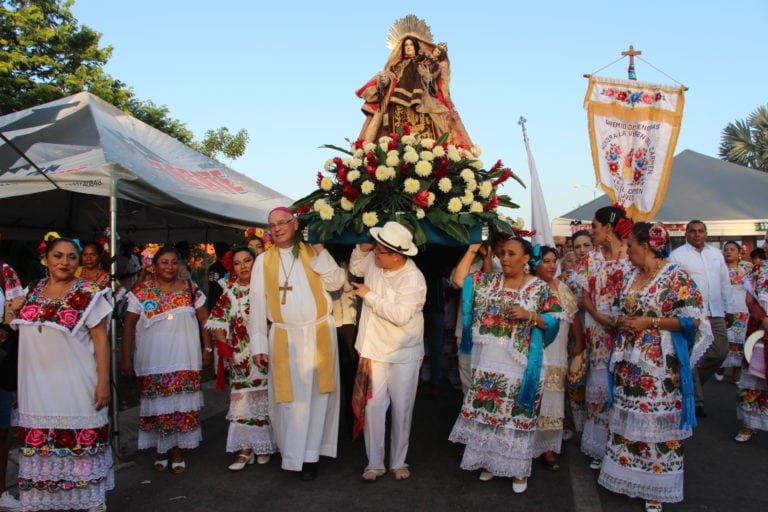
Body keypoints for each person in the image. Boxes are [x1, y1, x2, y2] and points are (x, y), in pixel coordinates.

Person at [598, 222, 712, 512]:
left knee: (655, 423)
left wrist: (651, 322)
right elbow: (621, 308)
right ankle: (631, 478)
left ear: (646, 246)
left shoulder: (675, 276)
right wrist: (620, 320)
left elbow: (693, 320)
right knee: (629, 418)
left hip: (659, 367)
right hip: (629, 362)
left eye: (630, 246)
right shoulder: (630, 275)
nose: (627, 252)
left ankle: (656, 488)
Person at [449, 236, 562, 494]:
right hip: (489, 361)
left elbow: (554, 322)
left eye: (512, 254)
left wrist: (530, 315)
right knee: (491, 414)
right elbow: (459, 279)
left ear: (525, 259)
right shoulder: (488, 282)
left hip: (522, 364)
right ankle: (491, 461)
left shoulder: (539, 288)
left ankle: (517, 470)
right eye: (502, 254)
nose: (505, 258)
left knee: (516, 415)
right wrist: (472, 249)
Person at [13, 238, 113, 512]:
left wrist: (103, 383)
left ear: (78, 261)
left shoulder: (90, 292)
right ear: (46, 258)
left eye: (71, 257)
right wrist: (12, 308)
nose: (64, 262)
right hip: (36, 385)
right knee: (42, 445)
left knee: (81, 443)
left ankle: (89, 501)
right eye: (58, 255)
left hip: (77, 382)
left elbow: (101, 340)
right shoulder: (32, 290)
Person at [248, 207, 346, 481]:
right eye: (271, 224)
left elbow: (337, 281)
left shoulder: (312, 252)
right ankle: (293, 453)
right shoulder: (263, 261)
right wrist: (258, 346)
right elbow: (256, 304)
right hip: (283, 337)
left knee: (317, 396)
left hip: (318, 335)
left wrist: (319, 249)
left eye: (282, 222)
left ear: (295, 224)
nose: (276, 228)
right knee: (289, 399)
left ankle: (311, 456)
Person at [121, 246, 212, 474]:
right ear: (154, 266)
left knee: (180, 406)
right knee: (158, 407)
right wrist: (125, 358)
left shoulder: (190, 289)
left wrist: (208, 348)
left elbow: (204, 319)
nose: (170, 267)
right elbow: (129, 325)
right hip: (153, 359)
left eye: (173, 262)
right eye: (164, 262)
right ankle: (162, 449)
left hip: (184, 358)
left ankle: (177, 450)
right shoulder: (141, 292)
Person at [348, 222, 427, 482]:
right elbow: (355, 267)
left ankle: (398, 461)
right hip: (373, 348)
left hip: (403, 353)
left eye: (380, 251)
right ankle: (374, 463)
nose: (375, 254)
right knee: (373, 407)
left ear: (397, 255)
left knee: (402, 408)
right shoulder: (374, 260)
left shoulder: (413, 278)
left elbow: (401, 315)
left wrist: (369, 296)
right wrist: (362, 248)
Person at [206, 246, 276, 470]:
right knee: (244, 402)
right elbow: (216, 320)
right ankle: (245, 449)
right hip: (240, 356)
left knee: (266, 400)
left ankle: (264, 446)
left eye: (247, 261)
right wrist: (224, 347)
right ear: (232, 267)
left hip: (268, 353)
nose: (244, 266)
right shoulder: (229, 290)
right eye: (238, 263)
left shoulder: (268, 287)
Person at [575, 205, 633, 470]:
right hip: (598, 330)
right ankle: (600, 448)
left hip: (627, 330)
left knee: (624, 388)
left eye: (595, 226)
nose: (592, 231)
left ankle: (622, 449)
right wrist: (598, 316)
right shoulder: (592, 258)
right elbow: (584, 293)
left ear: (609, 228)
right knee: (599, 391)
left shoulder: (631, 256)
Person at [357, 23, 472, 147]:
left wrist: (428, 78)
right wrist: (384, 81)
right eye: (406, 45)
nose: (408, 47)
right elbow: (391, 77)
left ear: (416, 47)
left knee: (428, 134)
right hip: (397, 105)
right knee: (396, 137)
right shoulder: (397, 66)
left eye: (411, 44)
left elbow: (433, 81)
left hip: (422, 104)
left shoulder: (425, 62)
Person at [670, 220, 735, 417]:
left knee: (719, 353)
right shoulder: (677, 255)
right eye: (693, 231)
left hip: (715, 311)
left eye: (701, 231)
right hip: (692, 314)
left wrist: (729, 308)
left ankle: (690, 384)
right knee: (692, 354)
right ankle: (696, 401)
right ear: (686, 234)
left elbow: (724, 282)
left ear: (706, 234)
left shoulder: (716, 254)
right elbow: (673, 285)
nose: (697, 235)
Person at [531, 246, 583, 471]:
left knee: (552, 401)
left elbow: (574, 318)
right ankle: (526, 446)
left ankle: (548, 447)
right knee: (533, 399)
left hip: (558, 355)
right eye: (546, 261)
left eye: (554, 261)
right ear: (535, 263)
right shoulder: (530, 287)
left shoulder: (563, 288)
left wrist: (579, 343)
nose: (552, 265)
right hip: (535, 354)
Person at [734, 258, 768, 443]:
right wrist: (764, 320)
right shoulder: (758, 270)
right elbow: (750, 300)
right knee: (754, 376)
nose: (765, 245)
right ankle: (750, 424)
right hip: (760, 328)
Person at [0, 259, 23, 511]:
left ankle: (1, 494)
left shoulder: (6, 272)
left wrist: (6, 327)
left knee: (1, 432)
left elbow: (16, 314)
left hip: (2, 363)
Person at [716, 241, 751, 383]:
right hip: (725, 310)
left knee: (740, 342)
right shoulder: (719, 269)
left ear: (739, 252)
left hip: (743, 310)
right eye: (726, 250)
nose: (728, 252)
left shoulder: (748, 268)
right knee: (724, 341)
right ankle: (720, 367)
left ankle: (737, 372)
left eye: (732, 249)